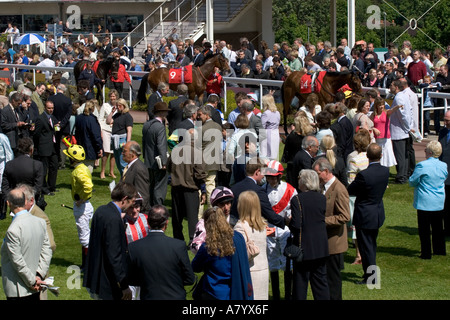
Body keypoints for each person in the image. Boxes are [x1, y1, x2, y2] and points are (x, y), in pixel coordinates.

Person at [127, 205, 195, 300]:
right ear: (166, 223)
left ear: (148, 222)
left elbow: (131, 279)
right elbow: (190, 279)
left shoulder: (134, 247)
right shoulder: (178, 246)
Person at [83, 182, 137, 300]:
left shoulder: (101, 210)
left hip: (96, 277)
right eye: (132, 202)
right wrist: (124, 286)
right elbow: (114, 255)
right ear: (124, 199)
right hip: (107, 284)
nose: (132, 206)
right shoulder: (113, 219)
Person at [347, 143, 389, 285]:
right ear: (381, 156)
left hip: (365, 215)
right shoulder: (385, 171)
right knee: (371, 245)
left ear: (367, 156)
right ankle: (370, 276)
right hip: (376, 212)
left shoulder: (364, 175)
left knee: (367, 248)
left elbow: (351, 190)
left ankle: (371, 278)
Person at [191, 207, 253, 300]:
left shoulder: (207, 246)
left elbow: (195, 266)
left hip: (212, 292)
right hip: (235, 289)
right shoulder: (238, 238)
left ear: (207, 224)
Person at [1, 187, 52, 300]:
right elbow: (47, 250)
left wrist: (33, 281)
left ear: (8, 203)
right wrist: (39, 275)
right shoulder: (40, 222)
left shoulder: (13, 230)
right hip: (35, 285)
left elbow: (17, 261)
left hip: (19, 289)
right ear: (25, 201)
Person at [289, 169, 330, 300]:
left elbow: (296, 225)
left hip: (303, 248)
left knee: (300, 284)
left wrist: (287, 221)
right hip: (321, 247)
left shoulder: (297, 199)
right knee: (321, 284)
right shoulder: (322, 198)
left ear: (305, 182)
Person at [313, 157, 350, 300]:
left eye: (317, 173)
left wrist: (322, 221)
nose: (316, 177)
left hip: (334, 243)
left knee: (333, 280)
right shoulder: (323, 186)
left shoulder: (339, 189)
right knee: (325, 278)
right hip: (324, 241)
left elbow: (344, 216)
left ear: (326, 171)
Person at [262, 160, 297, 300]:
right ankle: (275, 295)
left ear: (279, 176)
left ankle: (288, 295)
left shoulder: (290, 190)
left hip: (285, 230)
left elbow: (294, 210)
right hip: (269, 229)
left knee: (288, 262)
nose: (270, 180)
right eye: (268, 177)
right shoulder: (263, 189)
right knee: (272, 261)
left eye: (273, 177)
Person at [167, 128, 207, 243]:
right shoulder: (197, 153)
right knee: (192, 217)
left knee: (177, 217)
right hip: (191, 189)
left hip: (176, 188)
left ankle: (178, 239)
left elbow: (168, 168)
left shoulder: (175, 150)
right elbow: (200, 174)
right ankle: (193, 239)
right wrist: (203, 190)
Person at [409, 141, 447, 259]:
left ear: (430, 152)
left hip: (425, 200)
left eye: (425, 150)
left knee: (424, 229)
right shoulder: (443, 165)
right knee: (438, 227)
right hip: (438, 199)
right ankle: (439, 249)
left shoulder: (422, 165)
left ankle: (426, 253)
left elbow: (412, 181)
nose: (424, 152)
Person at [230, 157, 286, 229]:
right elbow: (269, 215)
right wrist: (285, 222)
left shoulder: (234, 188)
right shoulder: (258, 191)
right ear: (257, 172)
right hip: (248, 230)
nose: (264, 177)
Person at [64, 144, 94, 270]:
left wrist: (81, 200)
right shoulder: (82, 167)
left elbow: (88, 186)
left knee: (84, 238)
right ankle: (87, 265)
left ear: (72, 159)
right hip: (85, 206)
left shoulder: (79, 170)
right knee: (86, 236)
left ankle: (87, 266)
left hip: (82, 207)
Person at [234, 190, 268, 300]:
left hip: (249, 271)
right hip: (263, 269)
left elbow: (238, 253)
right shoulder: (262, 225)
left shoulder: (240, 227)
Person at [346, 129, 371, 265]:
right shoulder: (371, 156)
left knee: (356, 226)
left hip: (356, 196)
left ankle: (359, 254)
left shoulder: (354, 159)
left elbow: (351, 181)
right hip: (370, 195)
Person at [190, 186, 237, 255]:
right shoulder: (204, 223)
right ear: (215, 206)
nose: (226, 208)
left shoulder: (236, 222)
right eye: (222, 204)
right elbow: (195, 246)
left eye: (228, 203)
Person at [142, 101, 170, 207]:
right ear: (163, 113)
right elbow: (161, 146)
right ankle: (158, 208)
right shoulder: (160, 127)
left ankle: (149, 207)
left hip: (148, 161)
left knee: (151, 185)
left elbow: (144, 143)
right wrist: (164, 162)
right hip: (158, 162)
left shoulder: (146, 125)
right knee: (159, 187)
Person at [389, 80, 414, 184]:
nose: (390, 87)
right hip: (403, 130)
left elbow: (402, 115)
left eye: (391, 85)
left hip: (399, 131)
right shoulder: (403, 96)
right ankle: (403, 175)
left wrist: (407, 127)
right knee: (404, 155)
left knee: (400, 156)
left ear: (396, 87)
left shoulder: (399, 97)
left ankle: (401, 177)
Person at [34, 100, 59, 196]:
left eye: (52, 108)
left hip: (52, 146)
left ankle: (51, 186)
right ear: (45, 107)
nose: (51, 110)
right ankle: (44, 189)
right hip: (43, 146)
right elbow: (37, 134)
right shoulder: (41, 118)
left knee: (54, 165)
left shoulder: (52, 117)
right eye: (49, 108)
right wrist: (38, 146)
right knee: (44, 169)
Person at [120, 141, 151, 214]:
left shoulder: (139, 169)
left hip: (135, 214)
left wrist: (136, 213)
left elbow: (143, 196)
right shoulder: (130, 166)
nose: (122, 153)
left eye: (125, 151)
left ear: (133, 153)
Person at [370, 96, 400, 168]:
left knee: (387, 157)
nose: (381, 106)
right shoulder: (373, 115)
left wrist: (398, 106)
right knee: (377, 155)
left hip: (386, 139)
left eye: (382, 104)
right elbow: (370, 125)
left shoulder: (386, 112)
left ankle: (386, 171)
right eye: (379, 105)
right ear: (376, 106)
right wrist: (374, 129)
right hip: (377, 139)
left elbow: (392, 110)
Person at [48, 84, 73, 169]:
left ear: (57, 89)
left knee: (55, 143)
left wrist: (56, 122)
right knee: (63, 145)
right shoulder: (68, 100)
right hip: (64, 126)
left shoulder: (51, 99)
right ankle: (62, 163)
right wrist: (62, 123)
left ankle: (55, 160)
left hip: (53, 124)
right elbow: (68, 114)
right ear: (64, 90)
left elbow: (50, 112)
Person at [74, 100, 103, 172]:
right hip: (90, 148)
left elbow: (76, 132)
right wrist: (99, 147)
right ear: (93, 109)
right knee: (88, 171)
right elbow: (96, 135)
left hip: (80, 146)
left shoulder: (79, 118)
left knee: (79, 170)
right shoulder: (92, 119)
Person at [106, 98, 133, 176]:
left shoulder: (128, 116)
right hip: (115, 140)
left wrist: (127, 143)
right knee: (117, 162)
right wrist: (112, 112)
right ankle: (123, 179)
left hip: (122, 140)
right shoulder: (117, 115)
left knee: (123, 162)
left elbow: (129, 131)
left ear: (124, 106)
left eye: (119, 106)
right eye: (117, 106)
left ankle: (126, 180)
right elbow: (108, 121)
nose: (118, 107)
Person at [98, 90, 118, 179]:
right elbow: (100, 119)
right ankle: (102, 171)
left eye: (114, 96)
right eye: (111, 96)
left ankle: (111, 171)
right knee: (106, 152)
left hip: (115, 131)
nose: (112, 98)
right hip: (105, 130)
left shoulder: (119, 106)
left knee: (114, 152)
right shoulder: (105, 105)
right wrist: (101, 130)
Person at [439, 110, 450, 236]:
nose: (445, 123)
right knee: (445, 203)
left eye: (448, 121)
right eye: (445, 120)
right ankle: (446, 228)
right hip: (442, 173)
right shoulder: (442, 132)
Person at [260, 94, 280, 160]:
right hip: (275, 133)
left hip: (268, 133)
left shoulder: (266, 113)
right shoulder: (277, 113)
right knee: (274, 152)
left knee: (265, 152)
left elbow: (262, 126)